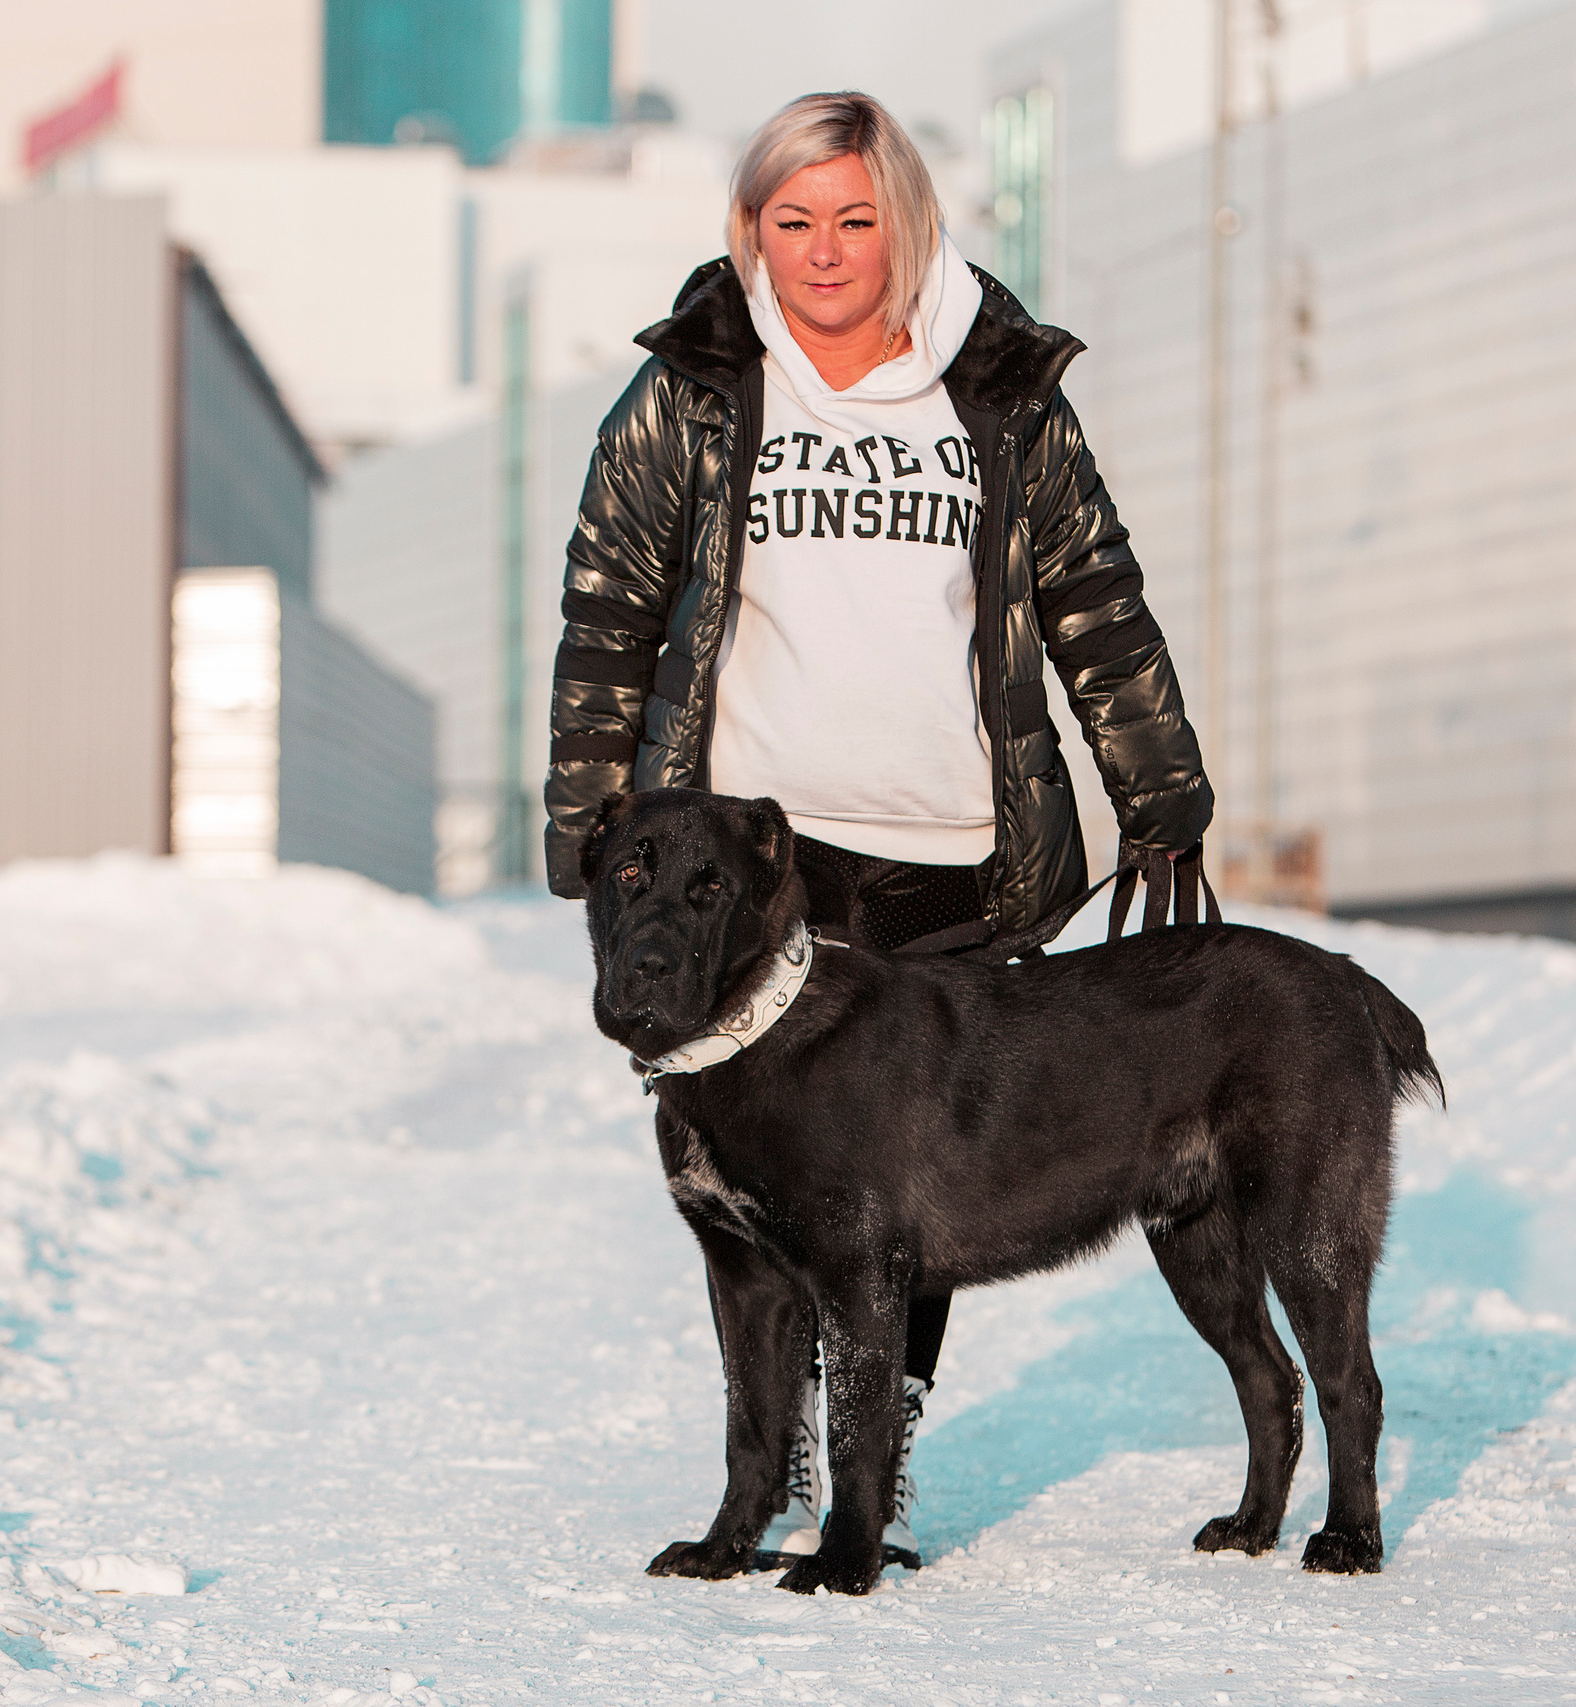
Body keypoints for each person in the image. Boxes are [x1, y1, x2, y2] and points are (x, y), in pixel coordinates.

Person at [543, 91, 1212, 1572]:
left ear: (905, 221)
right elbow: (610, 614)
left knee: (899, 1195)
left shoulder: (1004, 389)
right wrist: (590, 824)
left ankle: (866, 1492)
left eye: (856, 218)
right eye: (794, 221)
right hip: (754, 874)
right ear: (751, 231)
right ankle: (760, 1484)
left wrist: (1160, 791)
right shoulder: (696, 391)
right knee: (757, 1194)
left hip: (952, 850)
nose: (826, 251)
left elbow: (1093, 597)